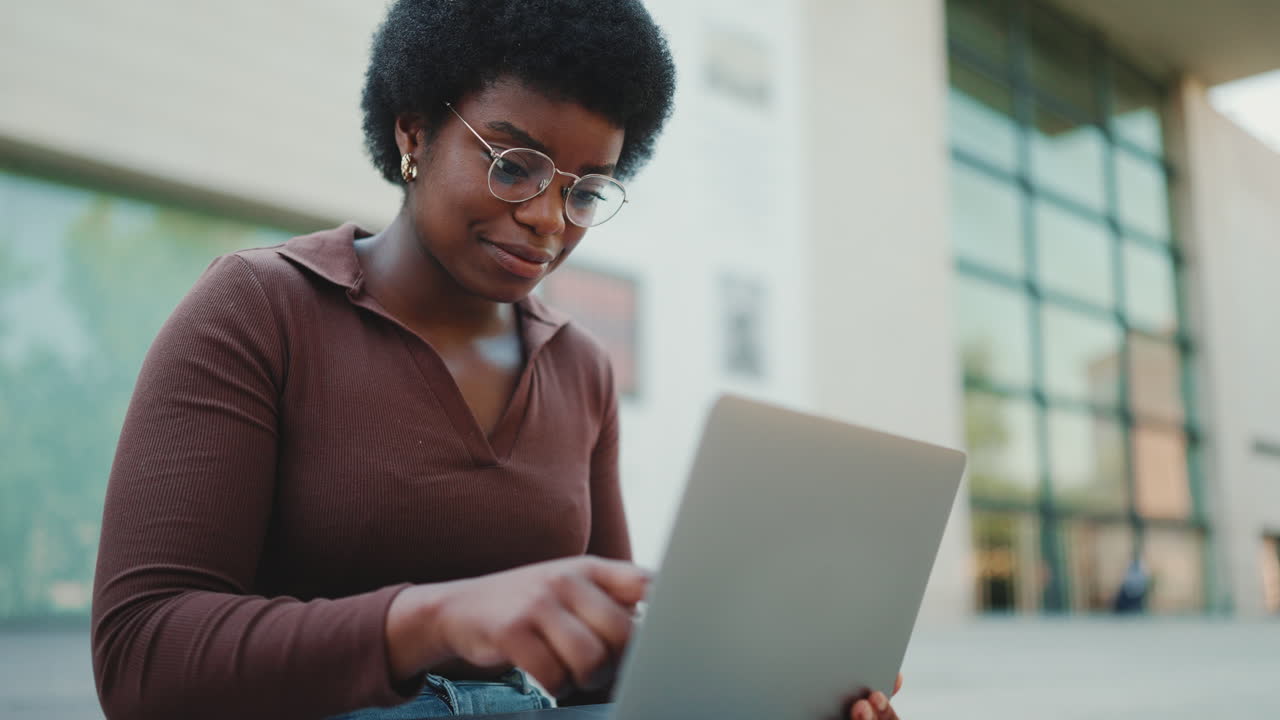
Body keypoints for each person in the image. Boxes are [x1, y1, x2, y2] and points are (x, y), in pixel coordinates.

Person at [90, 2, 903, 719]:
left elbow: (598, 666)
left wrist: (774, 688)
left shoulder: (579, 367)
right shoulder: (261, 309)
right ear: (414, 131)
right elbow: (140, 657)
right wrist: (434, 618)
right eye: (514, 166)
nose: (549, 218)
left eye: (586, 190)